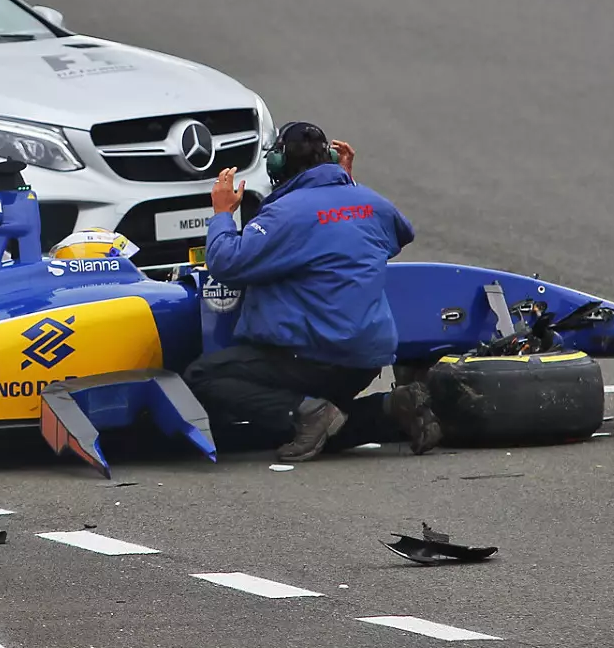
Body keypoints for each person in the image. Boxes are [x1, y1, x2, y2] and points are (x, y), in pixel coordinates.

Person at [182, 122, 441, 462]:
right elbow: (397, 235)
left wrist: (222, 214)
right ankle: (392, 408)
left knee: (203, 376)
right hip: (364, 358)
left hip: (314, 354)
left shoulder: (285, 213)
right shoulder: (369, 201)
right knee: (326, 424)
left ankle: (309, 413)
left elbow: (225, 262)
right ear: (331, 158)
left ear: (277, 165)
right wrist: (346, 188)